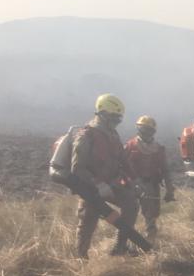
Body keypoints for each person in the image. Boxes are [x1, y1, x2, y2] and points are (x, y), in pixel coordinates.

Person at [71, 94, 139, 258]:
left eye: (119, 119)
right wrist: (98, 184)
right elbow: (77, 168)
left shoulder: (113, 135)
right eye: (114, 118)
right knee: (88, 222)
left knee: (131, 204)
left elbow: (123, 160)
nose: (117, 122)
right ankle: (80, 259)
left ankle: (119, 247)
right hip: (90, 187)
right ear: (103, 114)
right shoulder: (86, 135)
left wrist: (135, 181)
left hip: (112, 184)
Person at [124, 115, 174, 243]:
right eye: (143, 129)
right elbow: (120, 166)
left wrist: (170, 190)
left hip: (151, 185)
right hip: (131, 185)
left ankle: (149, 244)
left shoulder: (158, 149)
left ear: (153, 132)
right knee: (129, 215)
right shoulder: (130, 146)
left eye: (148, 130)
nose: (146, 132)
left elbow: (165, 170)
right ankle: (124, 243)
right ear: (138, 129)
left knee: (151, 217)